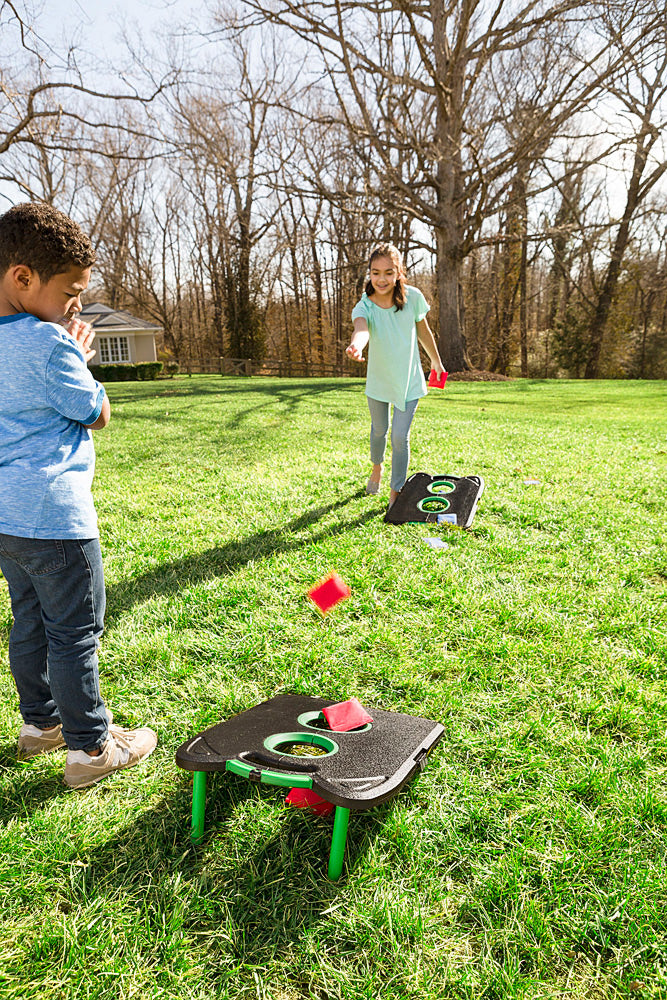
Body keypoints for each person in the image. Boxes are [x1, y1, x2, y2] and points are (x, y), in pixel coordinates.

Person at [0, 201, 157, 788]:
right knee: (74, 634)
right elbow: (96, 411)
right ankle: (91, 748)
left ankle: (40, 726)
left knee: (28, 623)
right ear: (23, 277)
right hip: (57, 519)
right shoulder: (49, 344)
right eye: (71, 291)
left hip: (7, 520)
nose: (78, 306)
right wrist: (80, 358)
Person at [346, 242, 446, 506]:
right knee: (379, 430)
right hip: (379, 380)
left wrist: (436, 362)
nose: (382, 279)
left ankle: (396, 490)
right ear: (369, 273)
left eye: (389, 272)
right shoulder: (365, 305)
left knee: (400, 437)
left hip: (409, 380)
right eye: (376, 272)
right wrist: (356, 345)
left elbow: (424, 331)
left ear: (399, 272)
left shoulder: (413, 298)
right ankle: (376, 467)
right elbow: (362, 329)